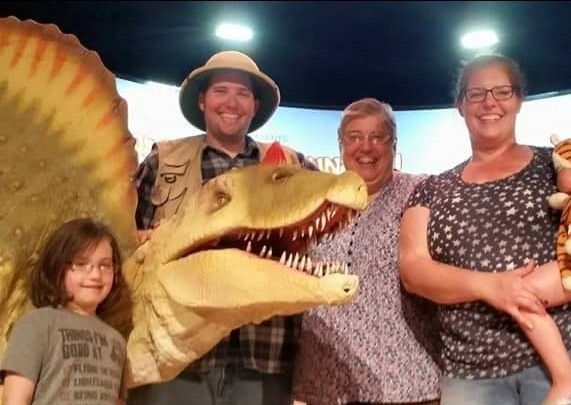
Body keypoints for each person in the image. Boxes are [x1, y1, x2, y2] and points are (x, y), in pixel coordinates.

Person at [399, 54, 571, 405]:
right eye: (476, 93)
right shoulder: (432, 189)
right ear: (460, 105)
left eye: (502, 91)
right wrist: (490, 286)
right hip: (475, 370)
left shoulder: (560, 161)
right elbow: (414, 270)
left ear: (519, 100)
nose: (490, 102)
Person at [129, 51, 315, 405]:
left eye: (243, 93)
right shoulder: (161, 161)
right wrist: (142, 241)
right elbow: (117, 243)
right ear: (202, 100)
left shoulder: (294, 164)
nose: (231, 102)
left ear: (255, 105)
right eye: (221, 91)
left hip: (264, 352)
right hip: (176, 358)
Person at [292, 98, 440, 405]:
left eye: (377, 137)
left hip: (406, 384)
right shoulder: (315, 202)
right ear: (341, 145)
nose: (366, 147)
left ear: (394, 143)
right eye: (355, 137)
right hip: (326, 384)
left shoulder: (421, 192)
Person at [1, 218, 128, 405]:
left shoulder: (117, 341)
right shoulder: (35, 325)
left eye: (105, 265)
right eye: (81, 264)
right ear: (57, 266)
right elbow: (15, 400)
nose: (95, 275)